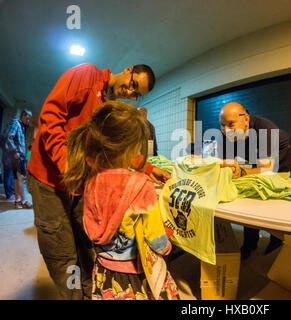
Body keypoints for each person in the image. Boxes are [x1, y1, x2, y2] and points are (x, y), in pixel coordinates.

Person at [27, 62, 170, 299]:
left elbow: (114, 149)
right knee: (61, 251)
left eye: (136, 94)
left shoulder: (108, 108)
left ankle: (90, 292)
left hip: (81, 182)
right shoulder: (86, 75)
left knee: (87, 242)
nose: (129, 92)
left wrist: (146, 167)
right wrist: (67, 167)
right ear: (128, 69)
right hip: (49, 180)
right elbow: (51, 117)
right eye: (132, 84)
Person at [63, 101, 179, 300]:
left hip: (104, 270)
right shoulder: (141, 185)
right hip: (136, 273)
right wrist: (167, 246)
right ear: (132, 148)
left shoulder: (90, 180)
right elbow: (155, 239)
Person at [218, 101, 291, 260]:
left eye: (230, 124)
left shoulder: (265, 130)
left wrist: (239, 170)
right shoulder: (228, 133)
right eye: (222, 126)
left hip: (281, 158)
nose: (226, 131)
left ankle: (277, 240)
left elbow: (267, 170)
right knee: (249, 195)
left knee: (278, 197)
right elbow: (228, 160)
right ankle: (250, 242)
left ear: (246, 119)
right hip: (256, 158)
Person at [5, 110, 33, 208]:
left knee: (17, 179)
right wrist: (15, 151)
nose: (28, 120)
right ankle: (24, 201)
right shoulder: (16, 123)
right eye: (28, 118)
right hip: (17, 156)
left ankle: (17, 201)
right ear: (24, 115)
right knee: (20, 178)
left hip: (17, 156)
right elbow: (9, 137)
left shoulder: (20, 126)